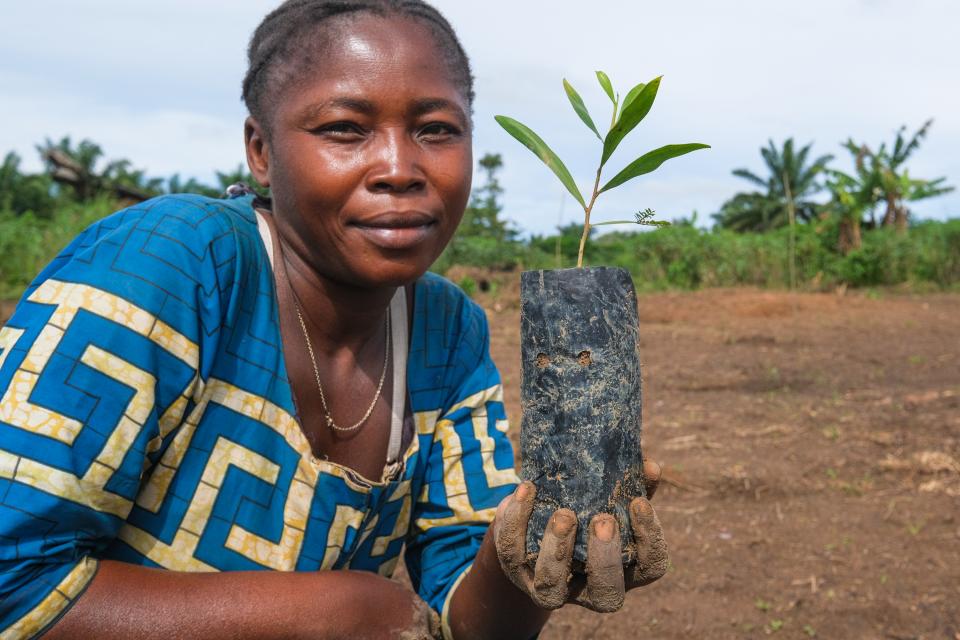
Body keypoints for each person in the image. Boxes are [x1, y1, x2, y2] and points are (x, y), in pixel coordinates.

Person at [0, 1, 668, 638]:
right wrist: (330, 613)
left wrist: (523, 563)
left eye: (435, 129)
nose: (400, 170)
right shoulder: (172, 266)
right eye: (345, 129)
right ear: (261, 152)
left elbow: (465, 619)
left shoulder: (447, 332)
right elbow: (13, 583)